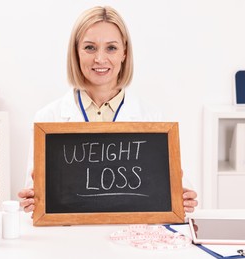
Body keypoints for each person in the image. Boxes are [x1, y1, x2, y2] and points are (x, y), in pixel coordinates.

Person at [18, 6, 198, 215]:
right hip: (71, 236)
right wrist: (30, 202)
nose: (100, 59)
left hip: (130, 236)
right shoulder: (47, 118)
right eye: (90, 48)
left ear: (124, 53)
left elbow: (177, 189)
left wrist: (183, 198)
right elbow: (34, 196)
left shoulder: (153, 118)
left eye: (111, 48)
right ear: (76, 53)